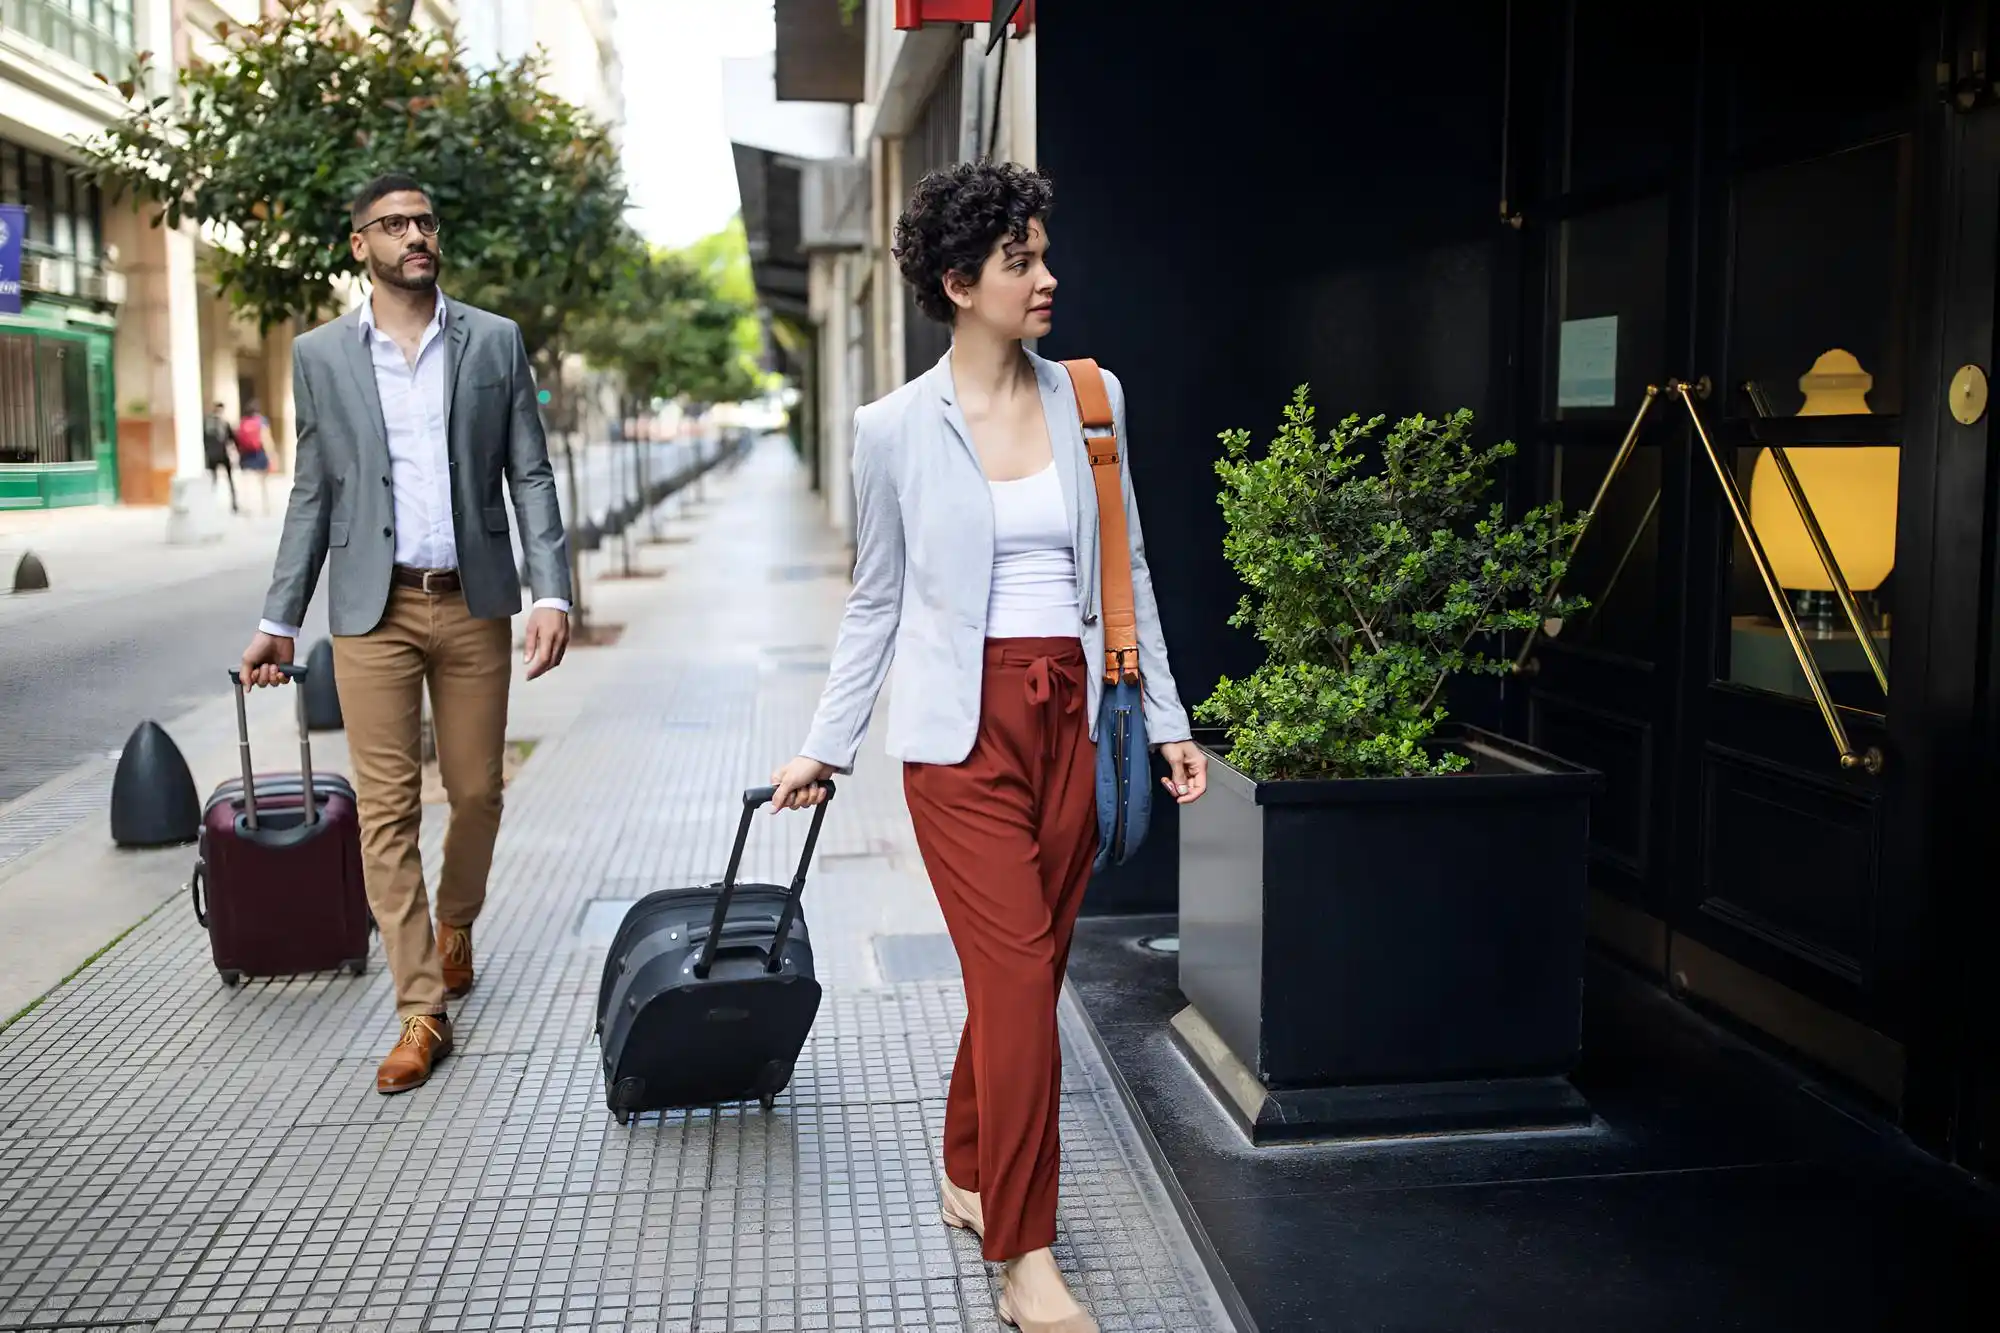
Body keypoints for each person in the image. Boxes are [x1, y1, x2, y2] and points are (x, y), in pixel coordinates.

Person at [768, 162, 1208, 1333]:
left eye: (1043, 253)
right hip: (958, 741)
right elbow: (874, 600)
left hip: (1075, 715)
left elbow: (1127, 569)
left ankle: (968, 1163)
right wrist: (825, 744)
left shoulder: (1091, 398)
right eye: (1020, 261)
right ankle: (1024, 1254)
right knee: (1013, 979)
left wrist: (1166, 718)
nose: (1046, 276)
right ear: (959, 284)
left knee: (1032, 972)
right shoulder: (890, 430)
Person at [240, 172, 573, 1095]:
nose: (416, 235)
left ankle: (455, 919)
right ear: (362, 246)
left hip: (473, 601)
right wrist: (278, 619)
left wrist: (552, 591)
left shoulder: (493, 340)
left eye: (425, 220)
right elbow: (315, 489)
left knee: (476, 790)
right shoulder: (320, 355)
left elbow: (530, 472)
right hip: (370, 611)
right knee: (385, 811)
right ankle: (420, 1008)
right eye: (394, 224)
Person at [236, 398, 271, 515]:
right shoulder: (262, 421)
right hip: (259, 453)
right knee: (262, 482)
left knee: (247, 482)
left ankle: (248, 506)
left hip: (246, 455)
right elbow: (266, 438)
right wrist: (271, 454)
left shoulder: (243, 422)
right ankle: (264, 506)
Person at [202, 402, 238, 513]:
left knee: (213, 480)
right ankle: (234, 504)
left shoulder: (207, 423)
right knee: (230, 480)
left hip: (211, 455)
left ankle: (210, 504)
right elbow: (233, 439)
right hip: (223, 454)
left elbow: (204, 439)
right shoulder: (224, 423)